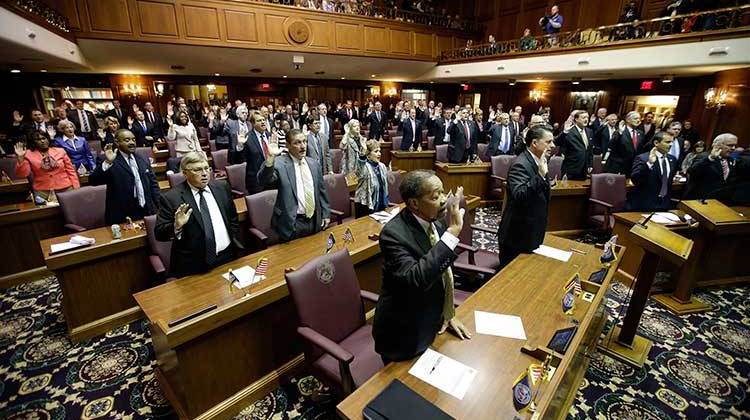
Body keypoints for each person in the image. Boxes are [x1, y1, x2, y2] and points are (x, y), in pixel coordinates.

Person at [372, 170, 471, 363]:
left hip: (433, 321)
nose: (444, 200)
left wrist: (448, 313)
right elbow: (416, 278)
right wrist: (451, 234)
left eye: (443, 192)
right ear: (414, 204)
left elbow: (442, 271)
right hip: (403, 333)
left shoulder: (437, 221)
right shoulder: (393, 235)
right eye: (436, 196)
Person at [155, 152, 243, 278]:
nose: (204, 173)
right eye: (198, 170)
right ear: (185, 173)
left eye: (207, 168)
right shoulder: (170, 198)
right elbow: (159, 233)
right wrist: (176, 226)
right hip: (194, 266)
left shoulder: (222, 187)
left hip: (227, 257)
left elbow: (232, 218)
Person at [496, 126, 554, 269]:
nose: (553, 145)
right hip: (517, 234)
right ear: (534, 143)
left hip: (531, 230)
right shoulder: (520, 164)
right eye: (548, 142)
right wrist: (540, 176)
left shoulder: (540, 160)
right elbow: (519, 195)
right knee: (511, 277)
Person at [259, 129, 330, 242]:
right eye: (297, 143)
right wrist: (270, 159)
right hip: (292, 223)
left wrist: (326, 214)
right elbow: (263, 182)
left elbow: (321, 191)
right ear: (288, 145)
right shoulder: (279, 164)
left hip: (314, 220)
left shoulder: (314, 164)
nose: (303, 146)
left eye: (304, 141)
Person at [89, 129, 160, 224]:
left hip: (146, 210)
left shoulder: (142, 158)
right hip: (122, 215)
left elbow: (153, 184)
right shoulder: (107, 159)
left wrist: (160, 206)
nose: (132, 143)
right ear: (117, 142)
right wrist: (108, 162)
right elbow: (93, 181)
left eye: (133, 140)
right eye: (127, 140)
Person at [14, 131, 79, 201]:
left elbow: (71, 171)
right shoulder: (28, 154)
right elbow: (23, 174)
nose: (42, 141)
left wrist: (76, 188)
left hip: (66, 189)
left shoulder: (60, 151)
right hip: (43, 191)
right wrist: (20, 159)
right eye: (38, 139)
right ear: (33, 142)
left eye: (44, 138)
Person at [627, 131, 679, 211]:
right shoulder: (643, 158)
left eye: (672, 142)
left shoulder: (672, 159)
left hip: (664, 204)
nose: (671, 145)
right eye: (668, 142)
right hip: (645, 204)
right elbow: (635, 180)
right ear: (656, 143)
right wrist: (649, 164)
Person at [684, 133, 738, 201]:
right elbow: (692, 172)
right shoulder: (704, 156)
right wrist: (710, 158)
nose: (733, 148)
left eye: (734, 145)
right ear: (717, 145)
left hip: (719, 201)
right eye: (730, 145)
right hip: (700, 199)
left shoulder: (731, 160)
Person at [353, 139, 389, 217]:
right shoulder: (364, 166)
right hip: (365, 205)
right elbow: (359, 172)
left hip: (379, 203)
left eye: (379, 151)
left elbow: (384, 187)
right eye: (376, 151)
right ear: (368, 154)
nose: (379, 154)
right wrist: (363, 155)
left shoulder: (382, 166)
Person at [238, 111, 271, 194]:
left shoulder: (270, 136)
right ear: (253, 123)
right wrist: (240, 146)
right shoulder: (247, 138)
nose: (263, 122)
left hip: (272, 178)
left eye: (263, 120)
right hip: (256, 182)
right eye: (259, 120)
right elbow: (239, 160)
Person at [603, 111, 644, 177]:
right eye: (635, 118)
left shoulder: (640, 133)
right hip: (617, 167)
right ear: (627, 120)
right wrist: (620, 133)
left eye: (639, 118)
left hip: (630, 167)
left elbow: (640, 150)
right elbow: (611, 145)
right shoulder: (620, 131)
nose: (638, 120)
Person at [559, 111, 594, 180]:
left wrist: (590, 164)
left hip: (584, 169)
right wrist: (564, 132)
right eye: (583, 117)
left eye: (587, 117)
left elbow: (590, 150)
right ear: (576, 119)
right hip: (571, 168)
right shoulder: (569, 130)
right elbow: (558, 142)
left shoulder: (589, 131)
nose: (586, 119)